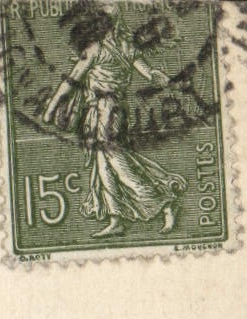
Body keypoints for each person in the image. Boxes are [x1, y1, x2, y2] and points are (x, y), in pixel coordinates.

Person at [41, 9, 185, 238]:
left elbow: (71, 81)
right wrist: (162, 77)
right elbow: (149, 72)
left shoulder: (94, 49)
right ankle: (116, 218)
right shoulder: (127, 49)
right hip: (110, 110)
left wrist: (50, 109)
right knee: (104, 165)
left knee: (117, 163)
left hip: (106, 111)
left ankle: (164, 202)